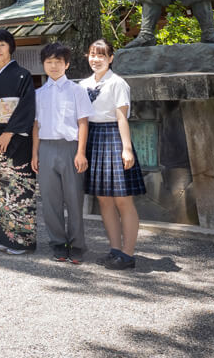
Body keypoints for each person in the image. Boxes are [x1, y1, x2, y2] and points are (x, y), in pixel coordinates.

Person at [81, 38, 146, 270]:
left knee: (123, 200)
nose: (95, 59)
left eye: (101, 55)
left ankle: (128, 254)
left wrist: (126, 148)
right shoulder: (83, 84)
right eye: (92, 54)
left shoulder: (118, 83)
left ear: (110, 58)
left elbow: (122, 118)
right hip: (92, 138)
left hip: (113, 138)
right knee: (103, 200)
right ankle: (114, 249)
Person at [31, 41, 94, 263]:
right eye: (49, 62)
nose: (53, 66)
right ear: (43, 65)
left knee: (74, 199)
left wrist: (81, 152)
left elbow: (83, 123)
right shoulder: (38, 94)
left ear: (66, 64)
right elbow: (36, 126)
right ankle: (58, 243)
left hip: (70, 149)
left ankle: (77, 245)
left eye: (58, 62)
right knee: (50, 201)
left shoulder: (77, 91)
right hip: (46, 148)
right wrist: (35, 154)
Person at [0, 28, 37, 254]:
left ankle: (23, 241)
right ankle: (5, 239)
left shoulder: (23, 75)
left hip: (16, 141)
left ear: (10, 47)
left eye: (2, 45)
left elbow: (27, 108)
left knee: (19, 190)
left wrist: (8, 133)